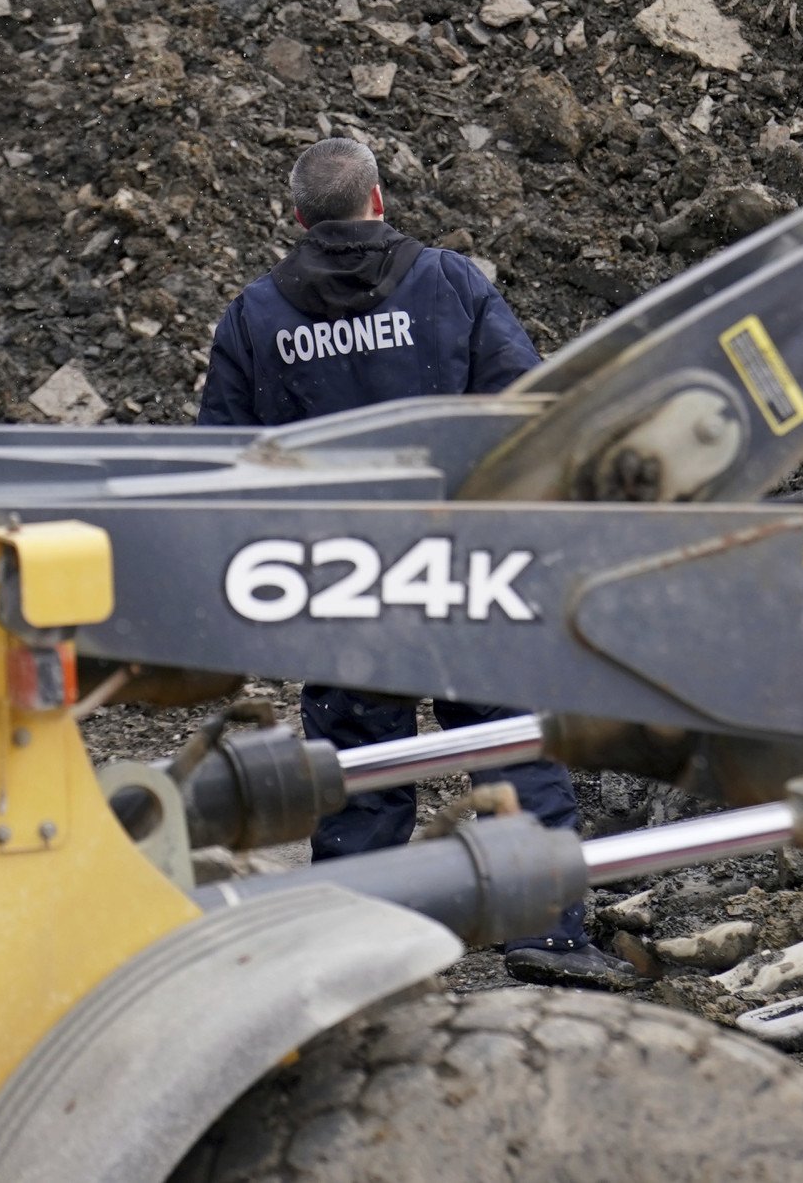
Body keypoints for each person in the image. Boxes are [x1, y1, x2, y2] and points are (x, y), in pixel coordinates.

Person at [196, 136, 640, 990]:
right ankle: (545, 935)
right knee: (513, 740)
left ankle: (354, 951)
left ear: (296, 217)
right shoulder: (450, 282)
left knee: (358, 770)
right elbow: (527, 411)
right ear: (379, 198)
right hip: (467, 569)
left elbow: (222, 462)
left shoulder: (257, 314)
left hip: (343, 579)